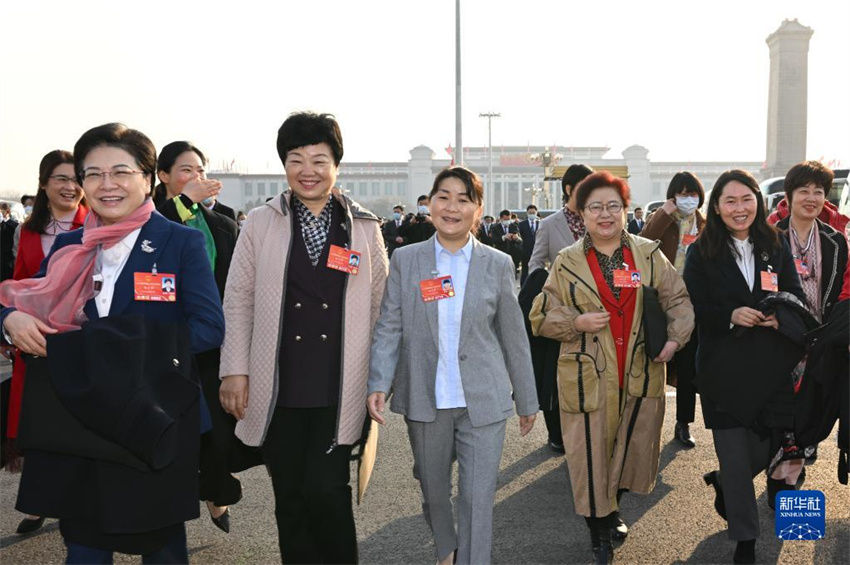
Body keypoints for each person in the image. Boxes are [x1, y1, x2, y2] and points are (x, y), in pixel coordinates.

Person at [0, 122, 224, 562]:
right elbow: (29, 300)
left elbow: (208, 328)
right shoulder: (69, 243)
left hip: (154, 415)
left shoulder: (181, 241)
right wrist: (10, 318)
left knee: (161, 546)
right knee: (84, 547)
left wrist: (116, 347)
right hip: (80, 416)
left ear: (147, 177)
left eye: (121, 172)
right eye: (93, 174)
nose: (107, 185)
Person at [218, 112, 388, 563]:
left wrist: (381, 378)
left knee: (327, 491)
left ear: (337, 165)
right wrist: (234, 370)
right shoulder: (260, 221)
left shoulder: (365, 228)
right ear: (284, 165)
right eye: (296, 160)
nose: (307, 170)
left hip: (339, 382)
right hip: (278, 381)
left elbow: (381, 309)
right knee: (289, 495)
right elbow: (237, 299)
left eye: (319, 159)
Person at [368, 166, 538, 565]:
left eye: (464, 199)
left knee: (478, 499)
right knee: (432, 487)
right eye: (444, 196)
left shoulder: (496, 264)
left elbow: (513, 336)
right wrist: (379, 382)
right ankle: (446, 547)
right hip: (426, 396)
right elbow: (389, 325)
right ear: (429, 204)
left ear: (478, 210)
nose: (452, 207)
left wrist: (527, 399)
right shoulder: (407, 260)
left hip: (483, 398)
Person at [530, 171, 694, 564]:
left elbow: (679, 301)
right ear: (582, 213)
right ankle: (598, 528)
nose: (605, 215)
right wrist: (575, 323)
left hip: (639, 369)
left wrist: (674, 340)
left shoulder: (648, 254)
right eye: (595, 207)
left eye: (613, 206)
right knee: (590, 452)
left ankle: (610, 508)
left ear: (625, 210)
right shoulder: (567, 262)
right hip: (587, 373)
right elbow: (540, 317)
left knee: (630, 448)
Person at [683, 169, 804, 564]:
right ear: (716, 207)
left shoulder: (776, 244)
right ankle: (746, 540)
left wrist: (779, 318)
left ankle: (724, 483)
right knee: (735, 457)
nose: (740, 208)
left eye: (746, 199)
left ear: (759, 201)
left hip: (771, 367)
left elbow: (794, 295)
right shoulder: (701, 252)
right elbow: (694, 307)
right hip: (724, 371)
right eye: (730, 201)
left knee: (771, 447)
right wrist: (730, 314)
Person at [155, 140, 255, 533]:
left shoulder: (224, 223)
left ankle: (216, 490)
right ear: (162, 176)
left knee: (218, 430)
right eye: (184, 171)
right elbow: (154, 233)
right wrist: (183, 203)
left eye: (199, 170)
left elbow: (237, 290)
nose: (195, 178)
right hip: (164, 343)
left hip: (212, 343)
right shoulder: (154, 217)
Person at [4, 150, 88, 535]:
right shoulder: (28, 230)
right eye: (61, 179)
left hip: (82, 341)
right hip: (35, 340)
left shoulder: (98, 223)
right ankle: (38, 503)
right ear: (44, 184)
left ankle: (78, 500)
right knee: (37, 423)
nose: (70, 187)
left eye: (76, 179)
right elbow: (20, 280)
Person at [770, 161, 848, 495]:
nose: (812, 197)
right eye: (804, 190)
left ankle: (793, 461)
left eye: (818, 191)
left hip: (819, 335)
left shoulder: (835, 240)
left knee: (809, 405)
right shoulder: (769, 236)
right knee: (778, 405)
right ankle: (779, 477)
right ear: (789, 196)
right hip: (778, 335)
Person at [525, 163, 594, 454]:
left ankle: (589, 429)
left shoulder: (600, 219)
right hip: (561, 311)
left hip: (595, 311)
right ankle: (556, 431)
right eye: (586, 187)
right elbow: (535, 263)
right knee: (555, 372)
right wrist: (548, 292)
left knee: (590, 373)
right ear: (569, 189)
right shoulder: (550, 224)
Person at [640, 171, 707, 448]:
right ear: (672, 196)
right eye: (682, 194)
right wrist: (663, 213)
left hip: (692, 302)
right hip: (661, 299)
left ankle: (683, 423)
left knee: (688, 367)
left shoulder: (705, 226)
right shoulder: (664, 221)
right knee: (653, 361)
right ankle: (645, 424)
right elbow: (643, 243)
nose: (688, 199)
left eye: (692, 194)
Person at [527, 163, 593, 272]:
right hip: (562, 288)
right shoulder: (548, 225)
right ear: (568, 189)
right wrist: (545, 286)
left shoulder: (599, 221)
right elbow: (536, 263)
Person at [492, 209, 523, 276]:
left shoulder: (514, 226)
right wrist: (503, 237)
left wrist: (517, 238)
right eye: (505, 219)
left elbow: (520, 240)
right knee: (501, 274)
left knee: (512, 275)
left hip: (513, 254)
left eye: (508, 219)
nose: (507, 221)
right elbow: (494, 240)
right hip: (501, 253)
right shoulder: (495, 227)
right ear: (501, 218)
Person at [518, 204, 540, 285]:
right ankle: (523, 286)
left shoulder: (541, 224)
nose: (532, 214)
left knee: (537, 270)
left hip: (537, 251)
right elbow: (520, 237)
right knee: (525, 270)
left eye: (533, 213)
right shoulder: (521, 224)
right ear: (527, 213)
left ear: (536, 213)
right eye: (530, 213)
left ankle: (536, 286)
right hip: (525, 251)